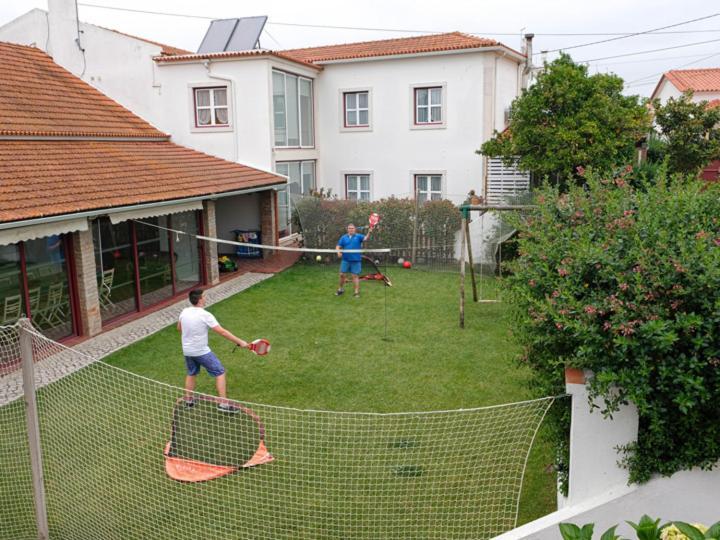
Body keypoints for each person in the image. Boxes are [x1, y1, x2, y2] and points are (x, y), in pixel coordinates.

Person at [177, 288, 250, 412]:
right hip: (201, 351)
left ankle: (189, 401)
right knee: (220, 372)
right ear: (200, 299)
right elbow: (222, 332)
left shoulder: (184, 311)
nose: (205, 298)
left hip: (187, 350)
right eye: (204, 296)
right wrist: (240, 342)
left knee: (191, 373)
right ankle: (224, 404)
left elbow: (179, 328)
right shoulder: (205, 315)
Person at [335, 223, 370, 298]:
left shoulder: (358, 236)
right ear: (347, 229)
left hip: (356, 260)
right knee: (342, 275)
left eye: (352, 228)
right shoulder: (344, 237)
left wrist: (369, 232)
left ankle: (356, 292)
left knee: (355, 276)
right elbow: (338, 246)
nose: (351, 229)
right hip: (345, 260)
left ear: (355, 229)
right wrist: (338, 252)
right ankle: (340, 289)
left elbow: (366, 238)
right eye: (349, 228)